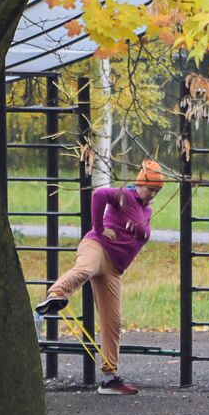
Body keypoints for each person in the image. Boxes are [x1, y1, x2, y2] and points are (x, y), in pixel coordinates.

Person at [34, 159, 164, 395]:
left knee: (113, 322)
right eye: (149, 189)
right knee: (85, 269)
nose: (151, 194)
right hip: (97, 246)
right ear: (139, 184)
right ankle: (56, 295)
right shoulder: (125, 195)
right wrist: (99, 227)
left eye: (156, 191)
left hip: (114, 269)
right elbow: (98, 195)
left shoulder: (147, 209)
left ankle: (109, 379)